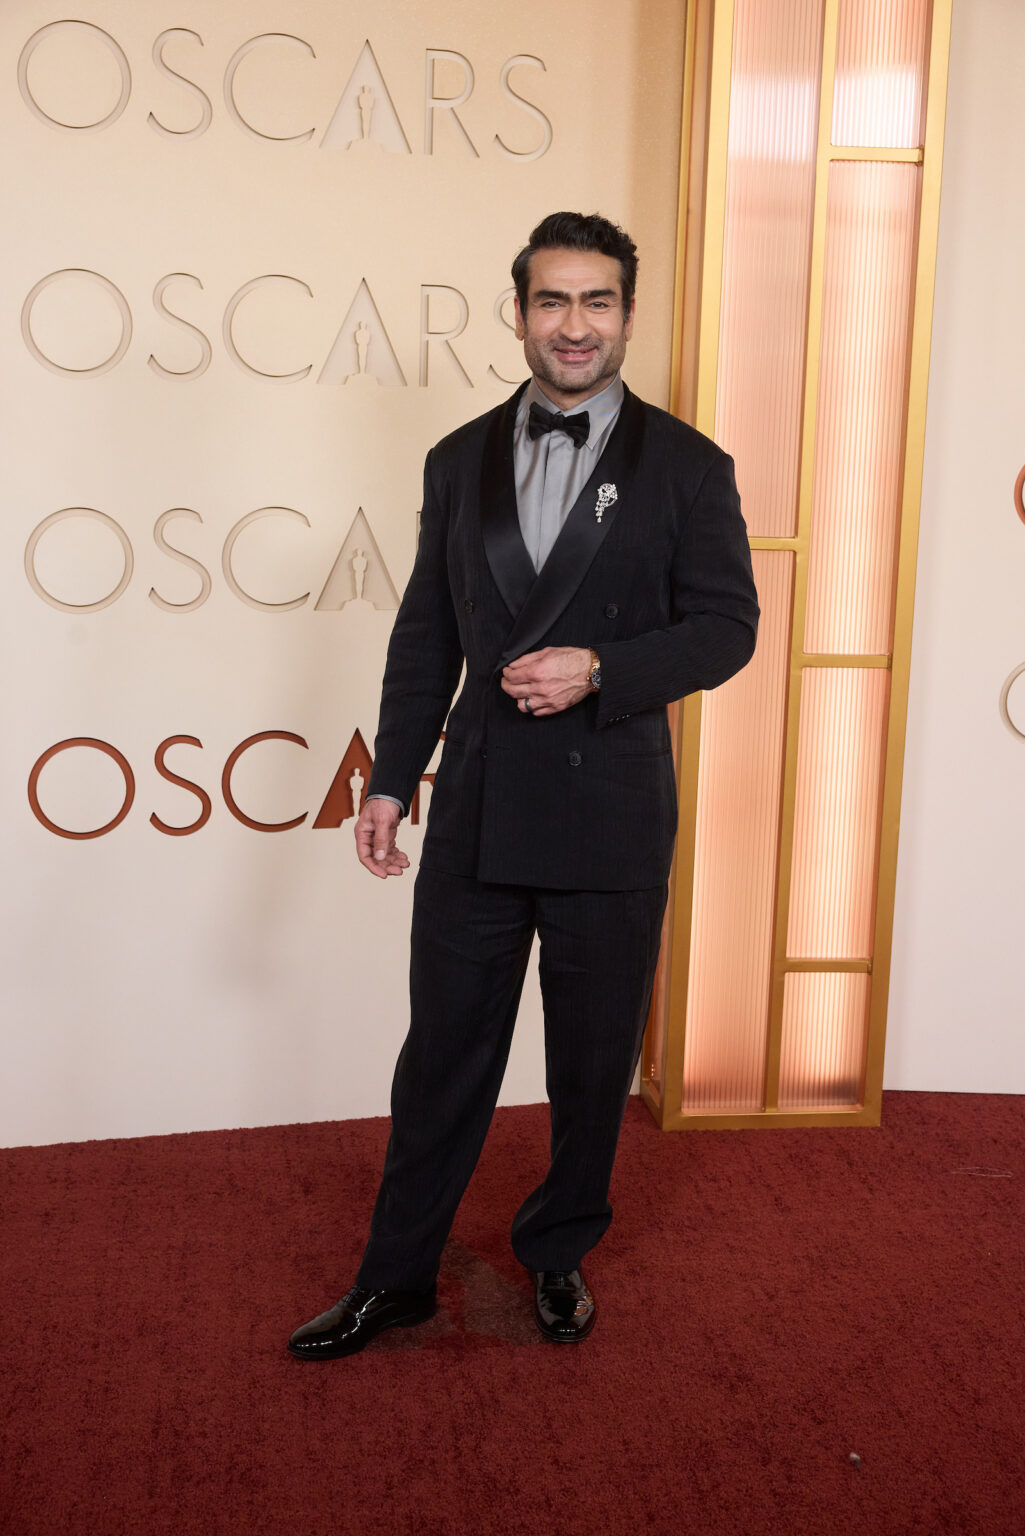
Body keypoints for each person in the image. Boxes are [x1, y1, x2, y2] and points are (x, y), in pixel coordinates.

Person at [288, 212, 759, 1360]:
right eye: (551, 301)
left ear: (627, 317)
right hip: (482, 805)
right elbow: (424, 634)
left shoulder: (686, 466)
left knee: (592, 1059)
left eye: (596, 301)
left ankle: (556, 1253)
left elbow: (726, 630)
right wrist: (392, 780)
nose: (574, 325)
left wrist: (603, 666)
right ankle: (395, 1277)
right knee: (442, 1055)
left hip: (609, 810)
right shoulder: (456, 459)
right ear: (518, 314)